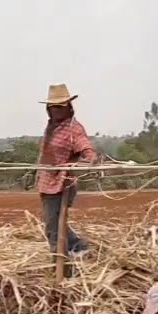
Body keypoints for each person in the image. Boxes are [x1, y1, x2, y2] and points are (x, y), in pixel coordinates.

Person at [35, 84, 98, 255]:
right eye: (53, 107)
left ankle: (59, 258)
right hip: (47, 181)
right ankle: (79, 248)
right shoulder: (51, 126)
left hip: (62, 182)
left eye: (60, 106)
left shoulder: (73, 128)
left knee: (53, 227)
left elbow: (85, 146)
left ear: (68, 107)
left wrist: (89, 158)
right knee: (55, 222)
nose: (56, 110)